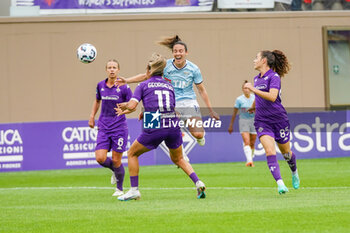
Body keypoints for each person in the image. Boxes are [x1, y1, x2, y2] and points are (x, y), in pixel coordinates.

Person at [115, 53, 206, 201]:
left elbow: (132, 106)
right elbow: (167, 106)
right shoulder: (169, 85)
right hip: (172, 123)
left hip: (155, 122)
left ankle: (134, 190)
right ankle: (198, 182)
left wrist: (125, 106)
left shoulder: (143, 85)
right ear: (163, 71)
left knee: (132, 153)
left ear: (148, 70)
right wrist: (145, 111)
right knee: (179, 158)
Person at [116, 35, 220, 151]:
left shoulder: (193, 69)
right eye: (175, 51)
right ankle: (180, 155)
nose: (178, 54)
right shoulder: (166, 65)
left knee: (198, 134)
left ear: (186, 53)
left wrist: (211, 110)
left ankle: (199, 137)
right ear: (173, 53)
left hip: (189, 102)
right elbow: (146, 76)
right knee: (169, 130)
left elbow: (202, 90)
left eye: (180, 51)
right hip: (171, 103)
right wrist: (127, 80)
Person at [244, 50, 300, 195]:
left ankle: (294, 171)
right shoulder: (256, 78)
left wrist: (253, 89)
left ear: (264, 61)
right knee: (269, 151)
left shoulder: (274, 77)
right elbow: (260, 97)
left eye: (256, 57)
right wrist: (253, 107)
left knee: (286, 153)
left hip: (279, 119)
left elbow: (273, 97)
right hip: (262, 121)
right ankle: (280, 184)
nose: (253, 60)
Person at [88, 59, 132, 197]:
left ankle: (119, 189)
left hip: (119, 127)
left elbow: (132, 105)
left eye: (114, 67)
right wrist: (91, 116)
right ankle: (114, 170)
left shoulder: (124, 87)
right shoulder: (100, 85)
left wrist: (124, 111)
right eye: (109, 67)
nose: (112, 70)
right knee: (100, 158)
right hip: (103, 126)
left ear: (118, 70)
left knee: (116, 160)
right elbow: (97, 101)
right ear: (106, 70)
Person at [228, 80, 257, 167]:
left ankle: (250, 159)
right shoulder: (239, 99)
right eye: (245, 88)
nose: (246, 90)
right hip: (243, 121)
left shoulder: (255, 98)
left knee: (252, 143)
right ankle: (249, 161)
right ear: (242, 89)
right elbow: (234, 113)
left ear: (250, 89)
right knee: (246, 141)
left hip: (254, 121)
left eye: (248, 88)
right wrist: (231, 125)